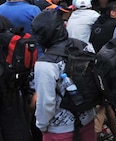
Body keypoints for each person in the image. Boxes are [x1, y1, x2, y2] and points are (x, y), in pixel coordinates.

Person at [31, 9, 98, 140]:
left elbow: (46, 102)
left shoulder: (45, 63)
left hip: (59, 129)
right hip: (87, 119)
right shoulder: (84, 46)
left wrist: (42, 125)